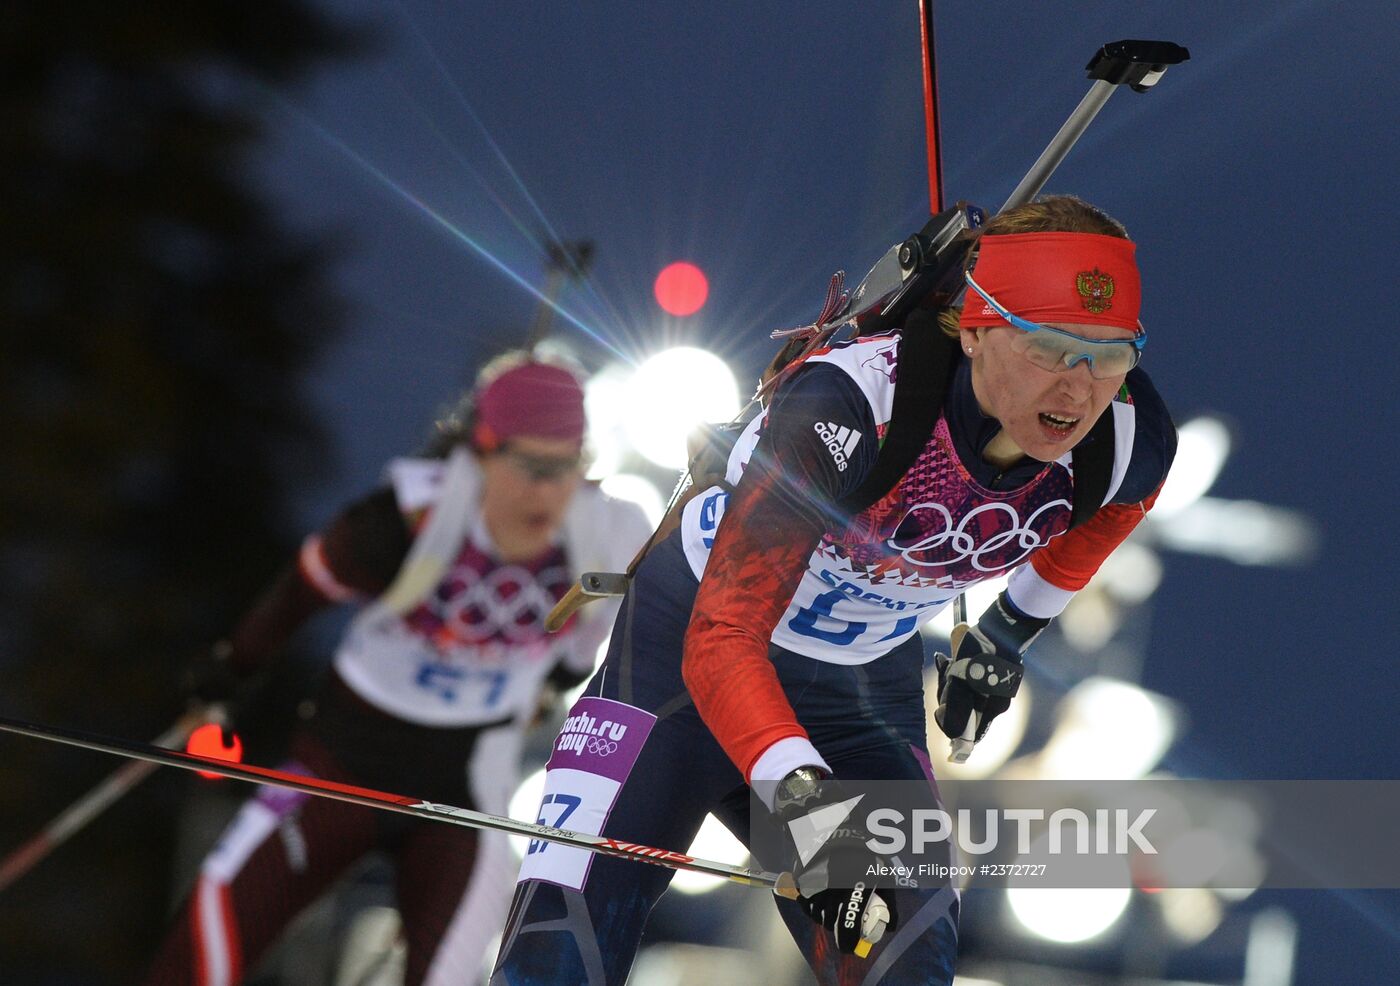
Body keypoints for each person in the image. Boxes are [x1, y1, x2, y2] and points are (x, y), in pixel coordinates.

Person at [489, 195, 1177, 985]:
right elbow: (720, 641)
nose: (1080, 388)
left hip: (852, 699)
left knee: (904, 961)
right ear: (979, 327)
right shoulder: (847, 408)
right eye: (1051, 348)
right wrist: (805, 818)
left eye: (1109, 352)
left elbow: (1118, 512)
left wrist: (1007, 633)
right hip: (678, 668)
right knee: (557, 956)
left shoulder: (1127, 437)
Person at [145, 353, 652, 986]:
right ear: (482, 451)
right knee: (209, 930)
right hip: (340, 761)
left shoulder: (607, 528)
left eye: (569, 466)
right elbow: (300, 590)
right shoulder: (405, 520)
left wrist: (556, 686)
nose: (549, 491)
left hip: (466, 790)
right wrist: (233, 668)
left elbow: (624, 620)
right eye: (531, 466)